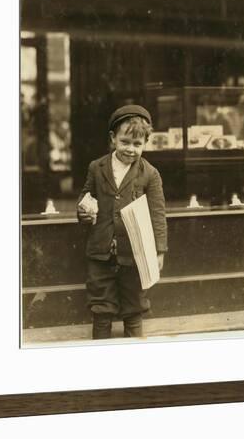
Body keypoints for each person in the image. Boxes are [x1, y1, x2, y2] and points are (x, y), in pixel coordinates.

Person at [77, 105, 168, 340]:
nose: (130, 149)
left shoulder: (150, 173)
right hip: (101, 251)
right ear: (113, 139)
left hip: (135, 252)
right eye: (125, 142)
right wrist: (84, 211)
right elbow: (87, 196)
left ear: (146, 143)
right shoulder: (96, 168)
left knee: (134, 306)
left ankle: (134, 355)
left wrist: (159, 251)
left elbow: (158, 213)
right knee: (101, 307)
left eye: (137, 144)